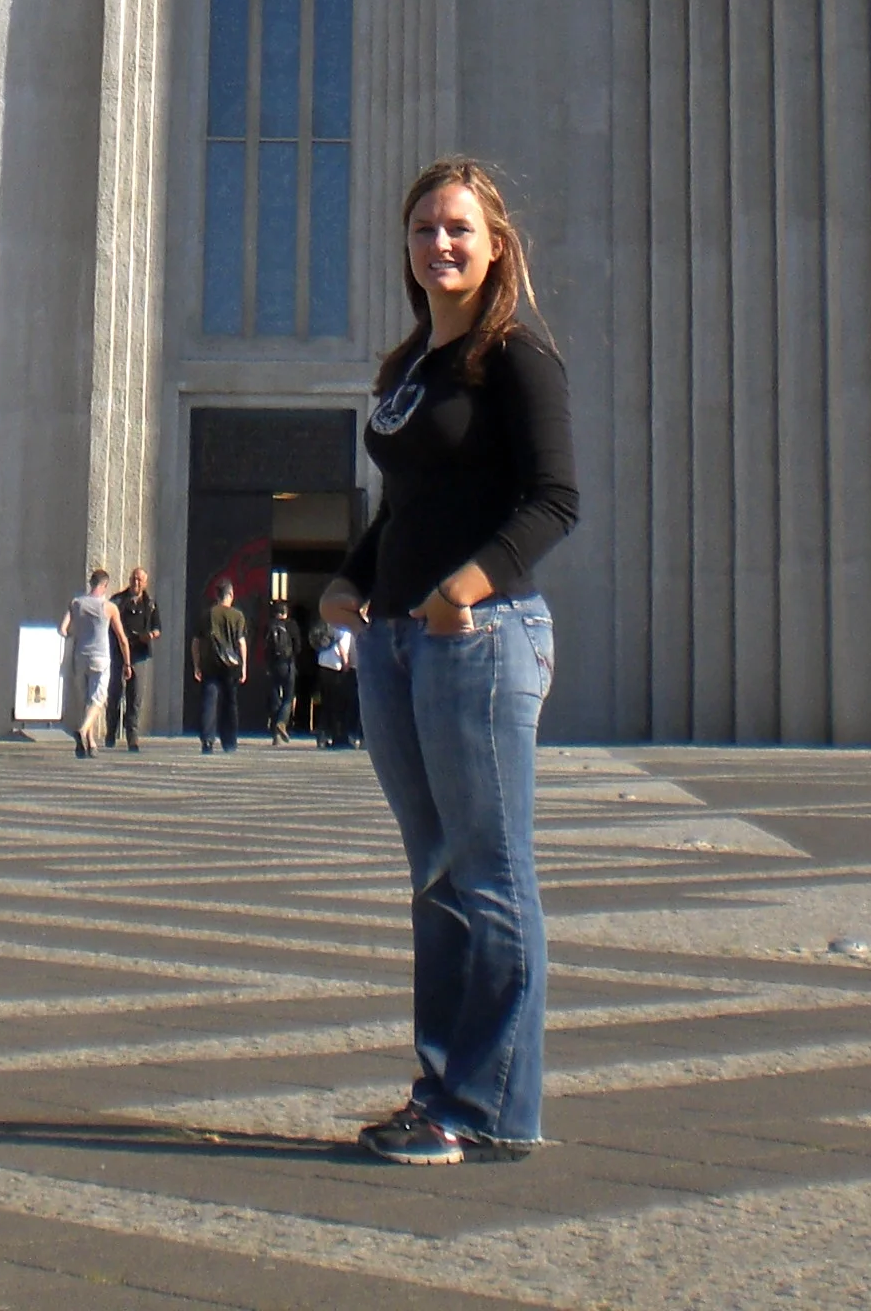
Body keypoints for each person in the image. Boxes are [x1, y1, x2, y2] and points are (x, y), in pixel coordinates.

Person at [321, 157, 578, 1166]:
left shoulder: (517, 356)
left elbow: (554, 500)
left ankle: (486, 1105)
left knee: (490, 874)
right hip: (395, 643)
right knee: (435, 878)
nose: (440, 243)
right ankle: (441, 1092)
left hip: (481, 637)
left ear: (495, 244)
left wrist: (459, 592)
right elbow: (403, 507)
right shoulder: (408, 369)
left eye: (459, 228)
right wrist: (350, 579)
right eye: (425, 227)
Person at [60, 567, 129, 759]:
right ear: (105, 585)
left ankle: (90, 744)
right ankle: (83, 731)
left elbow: (63, 629)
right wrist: (127, 663)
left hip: (80, 656)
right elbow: (122, 638)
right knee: (98, 699)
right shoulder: (109, 607)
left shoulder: (76, 603)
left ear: (91, 583)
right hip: (100, 657)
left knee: (86, 700)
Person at [191, 576, 247, 751]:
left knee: (209, 701)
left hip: (210, 664)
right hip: (231, 666)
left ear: (216, 595)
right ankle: (229, 742)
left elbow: (196, 642)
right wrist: (244, 666)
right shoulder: (238, 616)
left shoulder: (207, 614)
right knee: (230, 703)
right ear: (231, 594)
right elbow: (241, 643)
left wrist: (197, 665)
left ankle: (207, 740)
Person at [110, 566, 161, 749]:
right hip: (119, 653)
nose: (136, 583)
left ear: (145, 583)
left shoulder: (150, 604)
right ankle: (111, 732)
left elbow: (157, 628)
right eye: (133, 579)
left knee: (135, 697)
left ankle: (132, 736)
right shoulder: (118, 601)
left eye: (140, 580)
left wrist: (151, 635)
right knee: (115, 693)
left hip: (140, 654)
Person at [313, 610, 357, 746]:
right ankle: (339, 737)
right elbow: (342, 646)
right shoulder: (344, 627)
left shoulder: (328, 623)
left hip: (323, 663)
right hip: (336, 666)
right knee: (339, 704)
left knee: (326, 702)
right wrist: (346, 663)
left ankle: (322, 734)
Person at [263, 599, 301, 744]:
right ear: (286, 612)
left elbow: (264, 647)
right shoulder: (292, 625)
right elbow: (298, 647)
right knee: (288, 697)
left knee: (275, 698)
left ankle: (275, 735)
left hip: (272, 666)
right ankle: (282, 722)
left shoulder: (269, 625)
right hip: (288, 664)